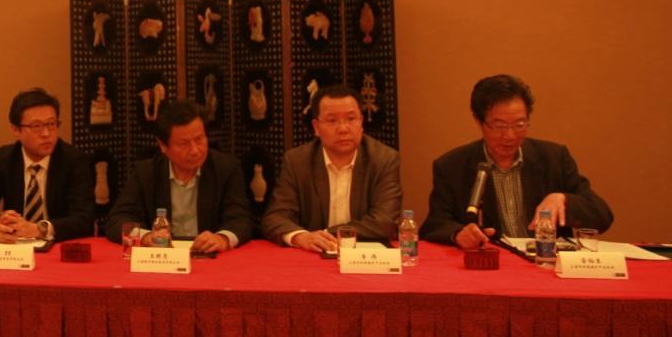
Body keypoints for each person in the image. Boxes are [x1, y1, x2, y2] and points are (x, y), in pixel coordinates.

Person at [422, 74, 613, 248]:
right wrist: (458, 234)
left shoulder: (554, 158)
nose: (510, 136)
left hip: (545, 261)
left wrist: (564, 199)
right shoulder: (452, 166)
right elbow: (435, 224)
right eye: (499, 126)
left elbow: (602, 216)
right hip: (492, 263)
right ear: (479, 121)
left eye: (519, 124)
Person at [261, 84, 403, 252]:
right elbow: (275, 217)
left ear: (361, 122)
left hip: (363, 255)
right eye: (332, 120)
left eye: (351, 119)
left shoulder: (383, 159)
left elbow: (385, 222)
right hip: (311, 256)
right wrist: (301, 237)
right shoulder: (297, 161)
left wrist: (325, 235)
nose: (343, 129)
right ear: (316, 127)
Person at [105, 99, 251, 253]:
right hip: (163, 257)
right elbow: (117, 220)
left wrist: (222, 238)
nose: (195, 150)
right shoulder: (146, 172)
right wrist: (146, 237)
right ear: (163, 146)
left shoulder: (226, 168)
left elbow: (241, 219)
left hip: (208, 257)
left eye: (199, 139)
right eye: (184, 143)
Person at [0, 88, 95, 242]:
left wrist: (38, 229)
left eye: (51, 124)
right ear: (16, 130)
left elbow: (84, 220)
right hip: (15, 248)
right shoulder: (1, 160)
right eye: (36, 126)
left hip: (58, 248)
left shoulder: (75, 160)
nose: (46, 133)